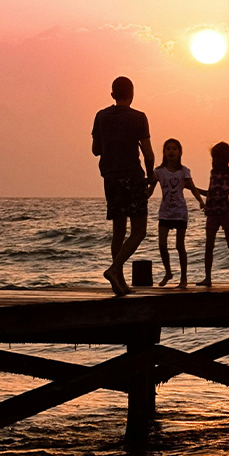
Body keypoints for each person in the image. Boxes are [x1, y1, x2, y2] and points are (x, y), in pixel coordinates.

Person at [91, 76, 154, 296]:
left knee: (118, 231)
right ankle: (115, 269)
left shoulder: (101, 116)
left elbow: (95, 150)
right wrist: (151, 177)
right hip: (133, 177)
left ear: (112, 95)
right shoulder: (139, 118)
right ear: (132, 93)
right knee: (139, 231)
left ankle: (120, 281)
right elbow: (148, 153)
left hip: (110, 178)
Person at [147, 138, 206, 288]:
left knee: (180, 246)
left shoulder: (183, 171)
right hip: (165, 213)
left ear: (180, 152)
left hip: (180, 212)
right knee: (161, 244)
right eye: (168, 149)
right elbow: (150, 190)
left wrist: (201, 201)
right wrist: (141, 199)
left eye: (174, 149)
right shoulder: (158, 172)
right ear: (164, 153)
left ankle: (184, 279)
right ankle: (168, 272)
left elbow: (192, 188)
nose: (171, 151)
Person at [196, 142, 229, 287]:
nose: (213, 160)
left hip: (225, 212)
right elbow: (210, 193)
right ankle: (207, 277)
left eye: (216, 157)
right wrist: (193, 189)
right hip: (212, 213)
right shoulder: (213, 173)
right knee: (209, 245)